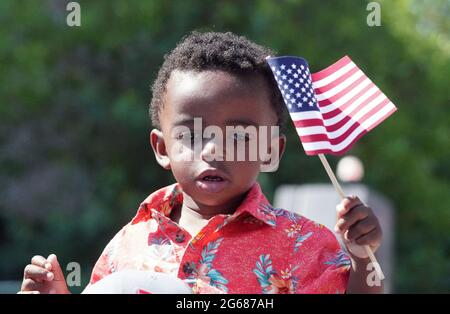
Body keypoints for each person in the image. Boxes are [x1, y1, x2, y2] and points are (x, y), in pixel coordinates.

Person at [19, 31, 382, 294]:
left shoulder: (307, 245)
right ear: (162, 148)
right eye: (191, 135)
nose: (213, 150)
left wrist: (363, 259)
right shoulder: (127, 245)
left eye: (239, 135)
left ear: (271, 151)